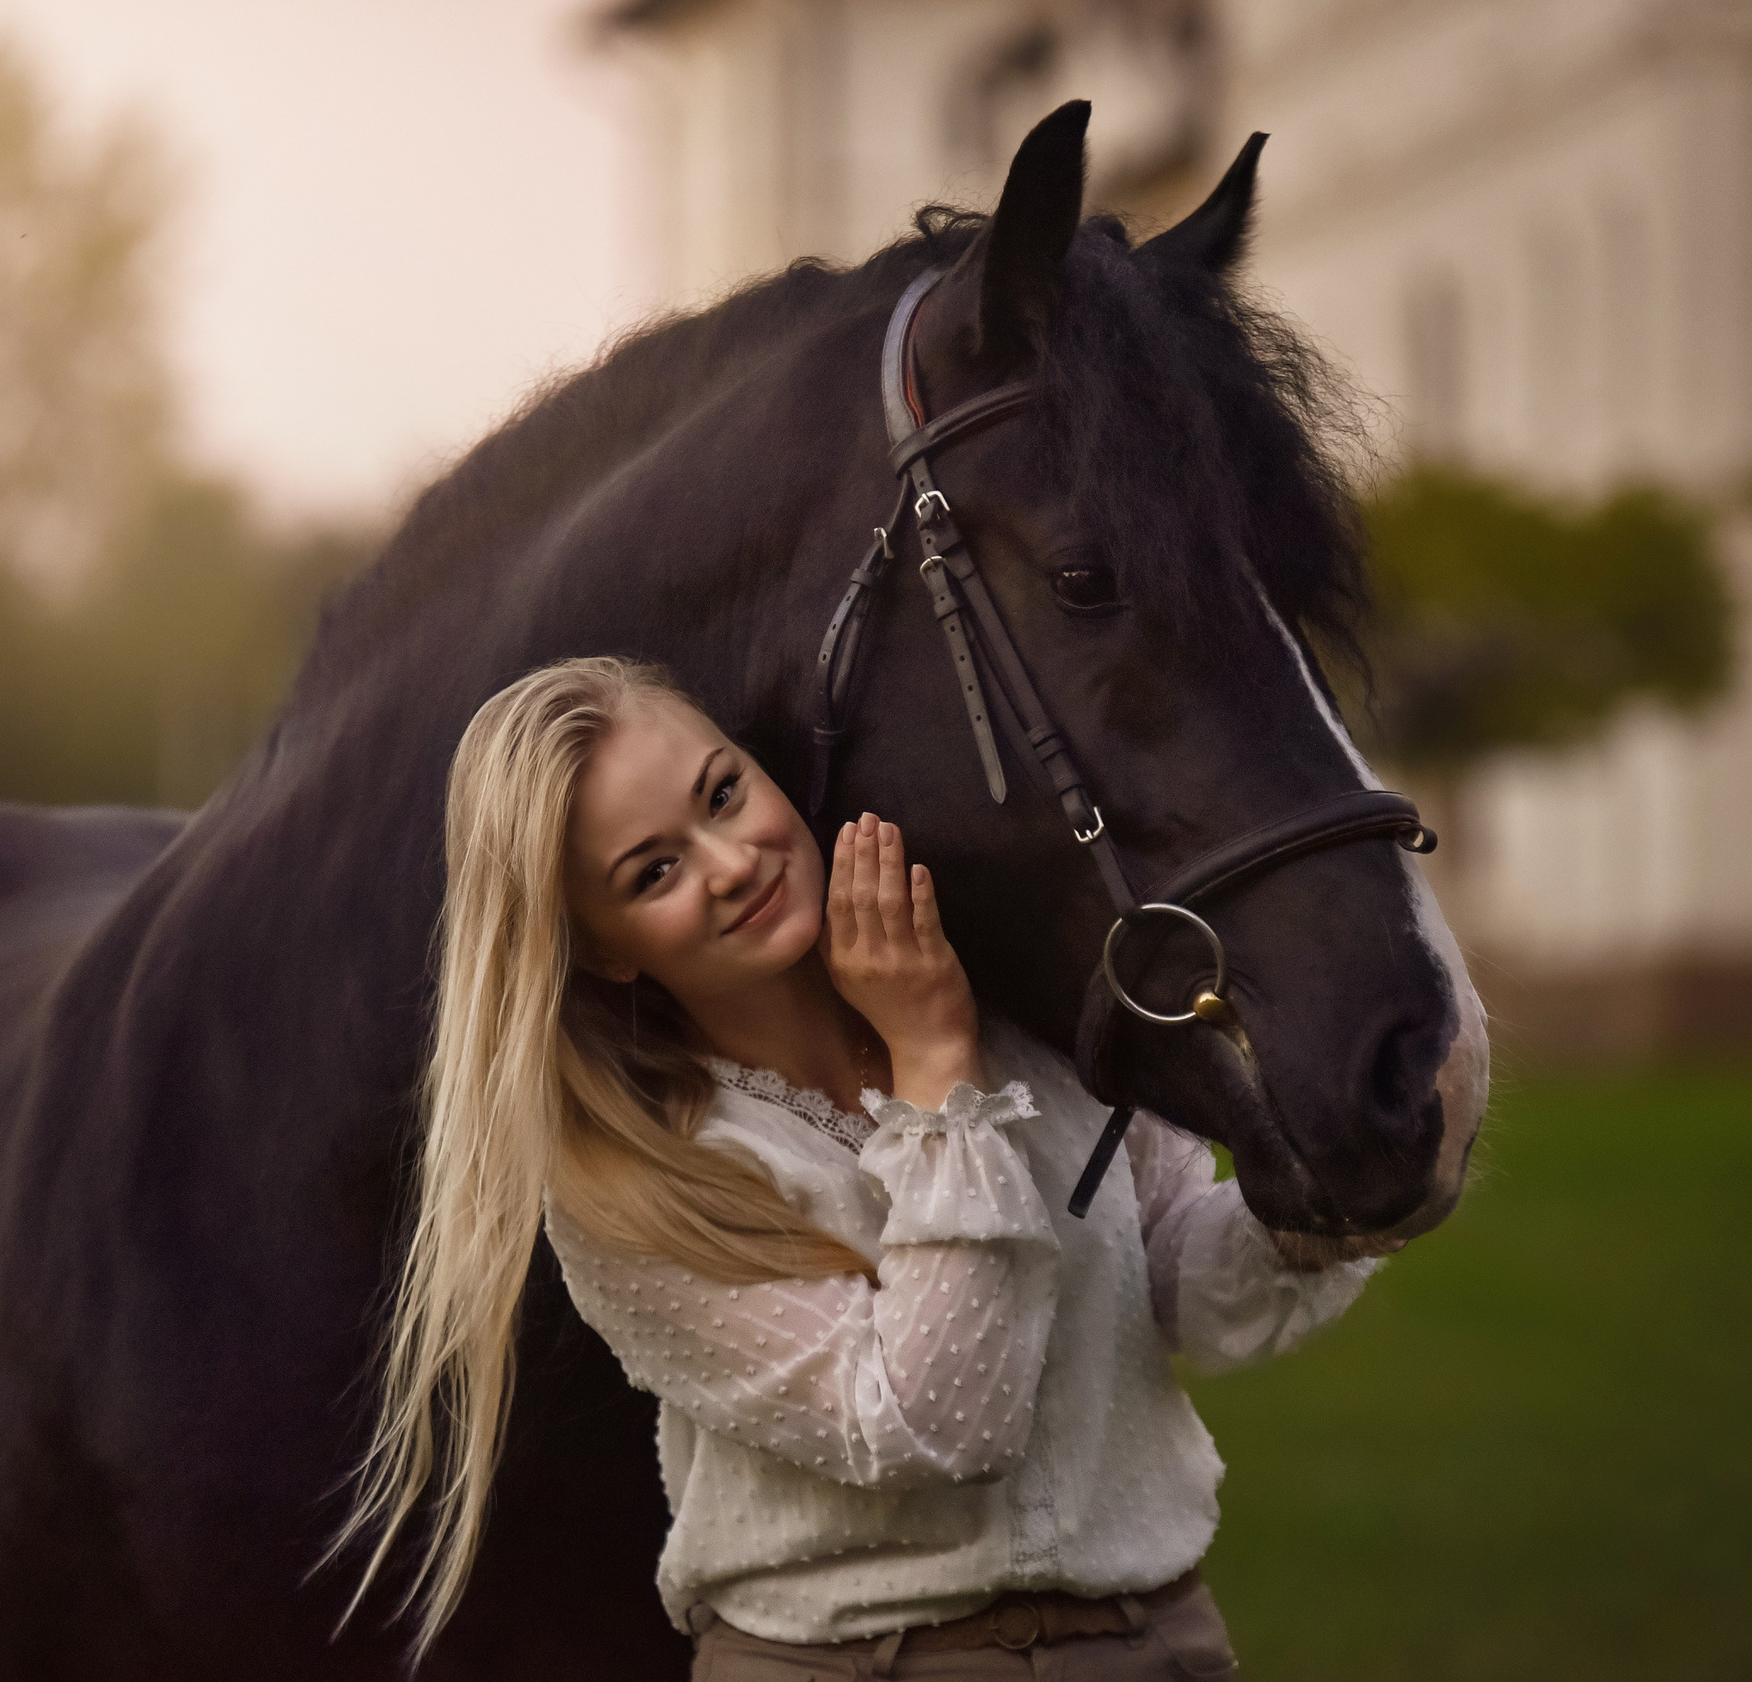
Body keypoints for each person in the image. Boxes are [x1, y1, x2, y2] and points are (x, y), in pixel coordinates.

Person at [332, 656, 1378, 1679]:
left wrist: (1336, 1185)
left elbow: (1182, 1286)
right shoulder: (642, 1182)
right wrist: (931, 1063)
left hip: (1156, 1641)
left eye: (723, 792)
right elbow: (937, 1422)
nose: (731, 859)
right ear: (603, 948)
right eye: (654, 869)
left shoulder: (1025, 1020)